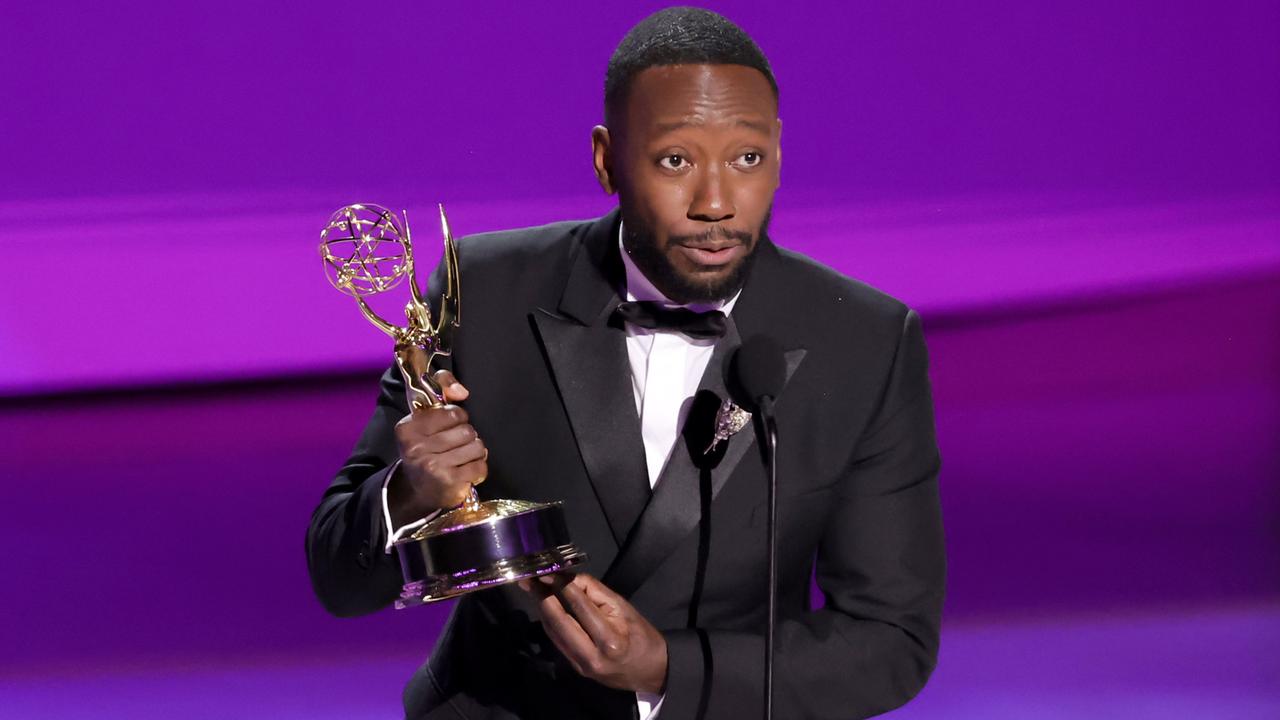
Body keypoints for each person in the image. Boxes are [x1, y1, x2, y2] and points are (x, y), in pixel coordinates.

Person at [306, 7, 944, 719]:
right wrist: (410, 494)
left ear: (779, 153)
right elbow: (338, 577)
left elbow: (891, 640)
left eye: (747, 159)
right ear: (607, 160)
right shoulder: (484, 293)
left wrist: (670, 670)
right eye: (676, 160)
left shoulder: (863, 339)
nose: (715, 202)